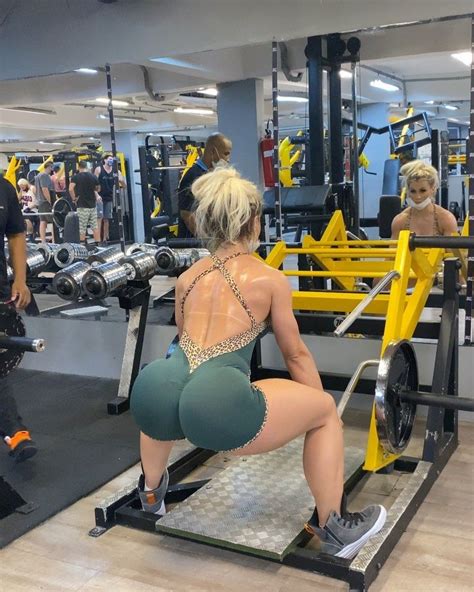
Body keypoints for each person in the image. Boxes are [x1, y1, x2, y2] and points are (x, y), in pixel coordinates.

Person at [130, 167, 386, 559]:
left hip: (163, 394)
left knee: (162, 387)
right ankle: (335, 528)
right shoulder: (267, 280)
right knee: (322, 413)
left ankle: (150, 494)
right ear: (253, 222)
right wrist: (320, 415)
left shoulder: (188, 279)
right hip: (220, 410)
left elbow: (183, 344)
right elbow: (295, 354)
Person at [0, 176, 36, 462]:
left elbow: (16, 234)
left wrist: (21, 280)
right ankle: (14, 429)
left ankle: (15, 430)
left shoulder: (4, 188)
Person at [177, 133, 232, 238]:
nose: (228, 159)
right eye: (226, 154)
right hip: (194, 243)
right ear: (212, 151)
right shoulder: (193, 176)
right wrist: (206, 239)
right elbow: (187, 215)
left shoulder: (211, 175)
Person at [391, 160, 458, 239]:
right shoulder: (399, 221)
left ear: (432, 189)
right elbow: (394, 250)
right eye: (413, 191)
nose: (418, 196)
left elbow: (452, 251)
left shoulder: (446, 219)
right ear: (408, 191)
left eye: (423, 191)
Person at [94, 155, 125, 245]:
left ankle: (105, 239)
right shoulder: (99, 169)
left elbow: (124, 186)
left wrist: (121, 180)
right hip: (99, 198)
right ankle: (98, 240)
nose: (111, 161)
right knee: (99, 218)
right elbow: (93, 184)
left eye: (112, 159)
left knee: (106, 219)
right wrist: (96, 195)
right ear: (104, 160)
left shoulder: (116, 171)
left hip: (109, 198)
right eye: (109, 159)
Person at [69, 161, 101, 244]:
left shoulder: (75, 177)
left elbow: (70, 189)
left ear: (78, 167)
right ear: (86, 166)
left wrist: (74, 199)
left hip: (82, 206)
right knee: (95, 227)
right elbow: (98, 189)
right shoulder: (93, 176)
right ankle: (98, 245)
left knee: (82, 227)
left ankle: (82, 246)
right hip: (93, 206)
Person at [34, 162, 55, 243]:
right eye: (52, 167)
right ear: (49, 167)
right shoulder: (45, 176)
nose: (52, 169)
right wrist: (50, 201)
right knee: (53, 222)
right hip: (45, 202)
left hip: (40, 202)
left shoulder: (37, 176)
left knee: (43, 221)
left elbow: (36, 190)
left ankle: (43, 241)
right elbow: (45, 189)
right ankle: (54, 240)